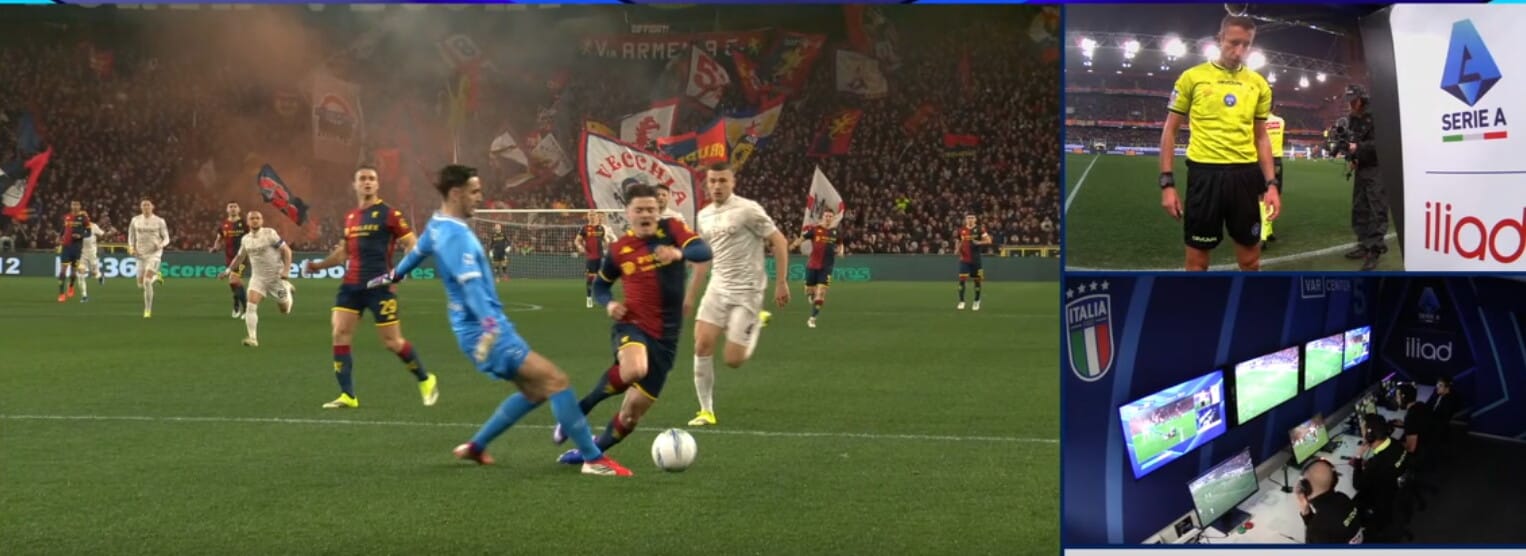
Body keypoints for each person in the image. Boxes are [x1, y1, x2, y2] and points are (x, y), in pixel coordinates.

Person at [369, 164, 632, 477]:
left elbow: (416, 254)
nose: (479, 197)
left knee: (534, 391)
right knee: (556, 382)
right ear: (456, 193)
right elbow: (471, 287)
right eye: (474, 192)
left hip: (472, 331)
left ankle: (476, 446)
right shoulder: (456, 237)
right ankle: (594, 459)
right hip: (488, 331)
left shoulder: (437, 225)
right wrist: (491, 327)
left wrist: (393, 276)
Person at [552, 184, 713, 462]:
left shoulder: (672, 230)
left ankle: (591, 453)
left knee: (630, 416)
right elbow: (600, 286)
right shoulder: (619, 249)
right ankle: (580, 410)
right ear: (628, 213)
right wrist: (609, 303)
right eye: (639, 210)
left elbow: (703, 250)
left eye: (651, 209)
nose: (646, 214)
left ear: (658, 211)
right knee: (635, 369)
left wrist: (678, 254)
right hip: (633, 324)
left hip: (667, 338)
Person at [303, 165, 437, 410]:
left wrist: (399, 273)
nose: (367, 182)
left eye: (371, 178)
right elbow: (343, 252)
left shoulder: (389, 214)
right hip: (351, 285)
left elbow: (412, 244)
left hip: (379, 286)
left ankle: (425, 379)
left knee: (392, 342)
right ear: (354, 185)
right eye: (362, 178)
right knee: (339, 333)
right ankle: (347, 395)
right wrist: (318, 266)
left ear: (377, 184)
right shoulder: (351, 217)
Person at [1158, 15, 1280, 271]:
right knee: (1197, 262)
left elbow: (1261, 137)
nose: (1240, 51)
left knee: (1250, 260)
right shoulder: (1192, 77)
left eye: (1246, 44)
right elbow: (1170, 131)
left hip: (1245, 177)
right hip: (1205, 175)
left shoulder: (1259, 84)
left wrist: (1271, 185)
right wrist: (1167, 184)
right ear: (1219, 39)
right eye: (1234, 43)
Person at [686, 162, 790, 428]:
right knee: (701, 344)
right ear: (707, 184)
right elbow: (704, 258)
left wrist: (781, 282)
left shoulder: (748, 209)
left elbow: (779, 241)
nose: (717, 186)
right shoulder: (703, 216)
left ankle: (756, 322)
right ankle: (706, 411)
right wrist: (690, 295)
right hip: (717, 288)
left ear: (733, 182)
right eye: (713, 181)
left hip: (747, 291)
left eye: (723, 180)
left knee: (733, 360)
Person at [219, 211, 296, 347]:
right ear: (248, 222)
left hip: (276, 278)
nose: (255, 220)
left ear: (262, 220)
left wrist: (286, 270)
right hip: (258, 278)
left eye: (257, 218)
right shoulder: (245, 239)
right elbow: (240, 257)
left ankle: (287, 289)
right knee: (251, 305)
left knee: (285, 310)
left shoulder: (270, 234)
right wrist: (228, 271)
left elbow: (287, 251)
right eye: (252, 218)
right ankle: (252, 338)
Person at [1340, 85, 1387, 271]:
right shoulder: (1352, 118)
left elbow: (1382, 143)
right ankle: (1363, 244)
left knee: (1377, 208)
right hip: (1362, 166)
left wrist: (1358, 148)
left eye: (1354, 101)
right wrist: (1352, 157)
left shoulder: (1377, 114)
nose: (1351, 104)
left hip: (1377, 167)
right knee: (1360, 207)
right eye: (1349, 101)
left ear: (1361, 98)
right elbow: (1353, 139)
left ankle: (1374, 250)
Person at [1351, 414, 1407, 542]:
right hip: (1396, 489)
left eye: (1363, 431)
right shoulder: (1395, 442)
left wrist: (1358, 458)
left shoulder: (1376, 464)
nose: (1363, 434)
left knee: (1354, 500)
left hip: (1383, 500)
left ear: (1370, 436)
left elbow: (1357, 484)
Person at [788, 208, 843, 328]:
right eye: (826, 216)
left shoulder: (835, 232)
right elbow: (802, 238)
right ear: (823, 217)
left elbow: (840, 243)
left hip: (827, 267)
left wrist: (841, 251)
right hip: (812, 265)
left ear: (833, 218)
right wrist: (793, 245)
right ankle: (810, 294)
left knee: (821, 293)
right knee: (810, 291)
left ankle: (812, 318)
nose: (828, 218)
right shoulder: (815, 229)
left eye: (830, 216)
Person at [1298, 459, 1362, 544]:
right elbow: (1329, 521)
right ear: (1334, 480)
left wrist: (1307, 519)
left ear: (1306, 488)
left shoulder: (1316, 529)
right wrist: (1307, 513)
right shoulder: (1343, 497)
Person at [128, 199, 169, 318]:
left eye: (148, 205)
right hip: (140, 254)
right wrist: (131, 247)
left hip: (154, 254)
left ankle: (147, 310)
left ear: (152, 207)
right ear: (141, 207)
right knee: (140, 285)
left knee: (146, 281)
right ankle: (157, 276)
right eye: (144, 205)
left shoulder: (159, 221)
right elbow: (131, 236)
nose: (146, 207)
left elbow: (167, 238)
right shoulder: (135, 220)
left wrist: (161, 245)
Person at [216, 201, 250, 318]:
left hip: (242, 258)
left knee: (234, 280)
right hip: (229, 258)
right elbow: (219, 238)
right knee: (234, 284)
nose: (233, 208)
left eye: (235, 206)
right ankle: (236, 302)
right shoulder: (223, 224)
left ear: (239, 209)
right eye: (230, 206)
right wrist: (215, 247)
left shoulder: (245, 224)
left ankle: (246, 309)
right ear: (227, 209)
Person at [57, 200, 91, 303]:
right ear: (71, 206)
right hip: (66, 247)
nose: (75, 206)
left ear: (80, 206)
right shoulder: (67, 217)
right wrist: (59, 236)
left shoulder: (84, 218)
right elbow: (64, 228)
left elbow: (89, 233)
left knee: (73, 273)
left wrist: (80, 235)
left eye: (77, 204)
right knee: (62, 271)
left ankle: (71, 286)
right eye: (73, 204)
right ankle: (61, 294)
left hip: (77, 248)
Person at [956, 213, 991, 311]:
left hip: (976, 260)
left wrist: (979, 242)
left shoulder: (980, 229)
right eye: (968, 218)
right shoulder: (961, 230)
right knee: (962, 280)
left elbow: (989, 240)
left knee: (977, 281)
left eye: (972, 218)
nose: (970, 219)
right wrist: (957, 250)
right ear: (965, 220)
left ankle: (976, 301)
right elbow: (959, 241)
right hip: (964, 260)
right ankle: (961, 301)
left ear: (975, 219)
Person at [573, 211, 607, 309]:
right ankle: (589, 299)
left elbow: (604, 241)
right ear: (587, 217)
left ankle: (600, 298)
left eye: (593, 215)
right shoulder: (584, 228)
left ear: (596, 216)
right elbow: (577, 240)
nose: (592, 216)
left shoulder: (601, 228)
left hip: (600, 257)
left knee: (601, 279)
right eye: (590, 215)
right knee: (590, 279)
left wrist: (607, 245)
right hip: (591, 258)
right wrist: (580, 247)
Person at [1261, 111, 1286, 249]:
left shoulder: (1259, 121)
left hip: (1263, 160)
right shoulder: (1280, 121)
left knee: (1262, 197)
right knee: (1274, 193)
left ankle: (1263, 235)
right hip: (1276, 162)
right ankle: (1268, 231)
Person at [77, 220, 107, 302]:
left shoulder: (94, 226)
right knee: (80, 275)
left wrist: (106, 235)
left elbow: (102, 234)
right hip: (81, 254)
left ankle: (100, 277)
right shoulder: (77, 227)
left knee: (94, 273)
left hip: (92, 253)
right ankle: (84, 296)